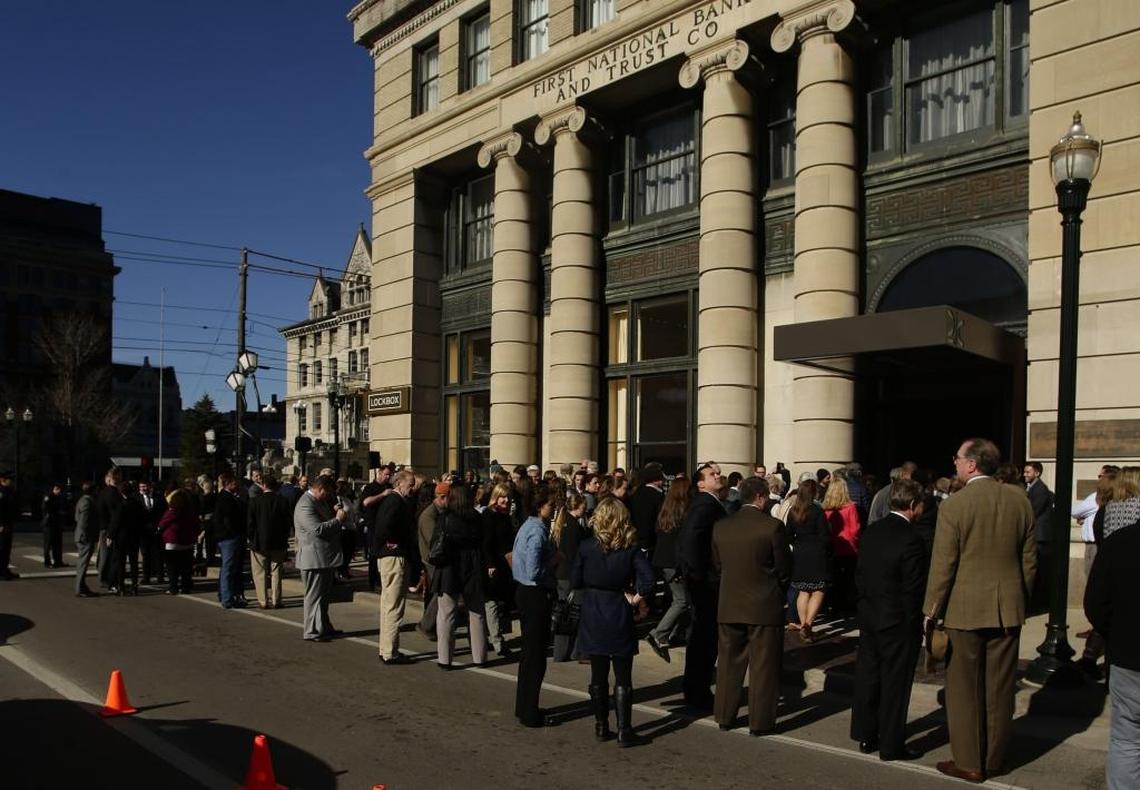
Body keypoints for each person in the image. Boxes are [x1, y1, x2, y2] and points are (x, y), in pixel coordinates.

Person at [924, 438, 1036, 783]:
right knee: (1000, 687)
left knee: (963, 689)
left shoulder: (955, 506)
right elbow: (1029, 562)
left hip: (965, 608)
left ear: (972, 464)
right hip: (1007, 608)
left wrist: (931, 610)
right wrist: (1020, 598)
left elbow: (943, 564)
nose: (954, 463)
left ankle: (970, 760)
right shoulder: (1020, 501)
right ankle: (994, 758)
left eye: (958, 458)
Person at [851, 478, 928, 761]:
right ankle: (891, 743)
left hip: (870, 614)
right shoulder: (912, 539)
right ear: (912, 505)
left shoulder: (872, 532)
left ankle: (866, 734)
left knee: (869, 676)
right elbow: (913, 587)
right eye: (920, 505)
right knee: (895, 683)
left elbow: (860, 575)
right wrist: (913, 621)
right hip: (897, 619)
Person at [711, 476, 790, 736]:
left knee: (728, 663)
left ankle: (724, 714)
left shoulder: (722, 527)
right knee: (763, 667)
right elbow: (784, 569)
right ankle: (760, 722)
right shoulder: (772, 527)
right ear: (760, 497)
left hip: (730, 603)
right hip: (763, 605)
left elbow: (718, 564)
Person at [572, 497, 654, 746]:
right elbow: (649, 581)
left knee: (598, 675)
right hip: (618, 609)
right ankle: (624, 730)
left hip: (593, 611)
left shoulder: (586, 547)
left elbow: (575, 581)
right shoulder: (630, 549)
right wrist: (634, 597)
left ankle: (600, 725)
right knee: (623, 676)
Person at [1084, 516, 1140, 789]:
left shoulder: (1119, 542)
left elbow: (1095, 604)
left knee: (1127, 739)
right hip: (1127, 657)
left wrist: (1115, 633)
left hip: (1128, 655)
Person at [677, 463, 729, 709]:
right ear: (700, 483)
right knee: (703, 639)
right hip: (705, 583)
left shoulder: (710, 503)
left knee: (705, 638)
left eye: (718, 473)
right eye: (712, 474)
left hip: (706, 581)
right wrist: (698, 576)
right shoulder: (704, 504)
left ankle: (697, 689)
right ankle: (697, 692)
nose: (718, 476)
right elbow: (691, 539)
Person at [512, 487, 557, 728]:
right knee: (535, 656)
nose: (553, 510)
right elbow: (533, 570)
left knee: (529, 655)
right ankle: (529, 710)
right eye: (550, 505)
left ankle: (524, 705)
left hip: (525, 592)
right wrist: (552, 562)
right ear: (541, 507)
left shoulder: (526, 526)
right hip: (534, 593)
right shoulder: (538, 532)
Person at [433, 485, 488, 668]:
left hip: (450, 567)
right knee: (477, 613)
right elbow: (483, 543)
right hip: (473, 566)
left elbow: (436, 544)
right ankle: (480, 657)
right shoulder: (478, 518)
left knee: (446, 614)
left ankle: (444, 658)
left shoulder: (446, 518)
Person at [294, 474, 347, 642]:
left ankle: (323, 627)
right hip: (313, 558)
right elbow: (317, 530)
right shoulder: (305, 504)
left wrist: (334, 512)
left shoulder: (320, 501)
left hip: (324, 557)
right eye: (328, 492)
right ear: (319, 489)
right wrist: (338, 520)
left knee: (323, 596)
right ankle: (311, 630)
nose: (329, 496)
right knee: (314, 596)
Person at [646, 476, 692, 661]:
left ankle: (670, 633)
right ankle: (659, 633)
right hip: (674, 563)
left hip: (663, 561)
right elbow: (682, 542)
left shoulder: (666, 508)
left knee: (679, 599)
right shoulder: (684, 511)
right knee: (681, 601)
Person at [373, 469, 416, 665]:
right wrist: (391, 543)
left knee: (388, 604)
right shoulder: (395, 501)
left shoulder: (394, 501)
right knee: (394, 606)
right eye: (410, 483)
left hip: (389, 556)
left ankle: (386, 648)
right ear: (399, 483)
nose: (412, 487)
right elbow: (384, 526)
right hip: (394, 558)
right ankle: (390, 651)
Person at [786, 479, 831, 642]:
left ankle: (803, 623)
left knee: (803, 590)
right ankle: (807, 625)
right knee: (818, 589)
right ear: (813, 493)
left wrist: (798, 544)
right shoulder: (817, 512)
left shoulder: (793, 511)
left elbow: (788, 534)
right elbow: (825, 536)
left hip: (800, 552)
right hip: (816, 553)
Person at [551, 491, 589, 662]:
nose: (585, 509)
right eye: (584, 506)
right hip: (571, 576)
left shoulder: (564, 523)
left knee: (563, 614)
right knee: (574, 614)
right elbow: (575, 556)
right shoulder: (574, 527)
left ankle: (560, 652)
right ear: (577, 506)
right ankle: (577, 651)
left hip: (561, 574)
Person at [247, 472, 291, 609]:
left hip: (259, 542)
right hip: (278, 541)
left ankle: (263, 600)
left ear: (263, 485)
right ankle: (276, 599)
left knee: (259, 572)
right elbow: (287, 522)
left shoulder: (255, 501)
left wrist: (251, 538)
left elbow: (250, 523)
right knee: (276, 571)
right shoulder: (283, 501)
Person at [482, 482, 515, 657]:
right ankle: (497, 641)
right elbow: (486, 543)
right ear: (496, 497)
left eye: (508, 497)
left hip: (505, 564)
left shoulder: (506, 516)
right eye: (502, 496)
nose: (506, 500)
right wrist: (490, 565)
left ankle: (494, 636)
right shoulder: (489, 515)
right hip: (493, 565)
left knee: (500, 603)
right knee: (492, 603)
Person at [823, 475, 861, 615]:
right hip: (849, 548)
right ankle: (847, 605)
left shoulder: (825, 509)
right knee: (849, 580)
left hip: (833, 548)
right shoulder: (851, 507)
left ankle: (835, 605)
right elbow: (855, 529)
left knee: (835, 579)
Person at [417, 481, 448, 640]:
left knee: (440, 593)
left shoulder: (439, 512)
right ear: (441, 497)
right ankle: (426, 624)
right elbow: (434, 542)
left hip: (436, 559)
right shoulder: (429, 515)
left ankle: (430, 624)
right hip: (432, 561)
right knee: (441, 592)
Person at [214, 473, 248, 609]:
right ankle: (227, 598)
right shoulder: (226, 498)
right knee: (228, 568)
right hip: (230, 537)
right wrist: (235, 533)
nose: (237, 486)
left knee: (227, 568)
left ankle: (225, 594)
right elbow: (228, 520)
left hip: (227, 537)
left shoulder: (227, 497)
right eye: (235, 484)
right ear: (228, 484)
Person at [1024, 461, 1054, 612]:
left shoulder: (1040, 490)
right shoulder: (1031, 488)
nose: (1025, 474)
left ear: (1037, 473)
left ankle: (1040, 604)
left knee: (1040, 572)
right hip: (1038, 536)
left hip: (1040, 537)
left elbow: (1033, 511)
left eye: (1028, 472)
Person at [159, 488, 200, 595]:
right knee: (186, 568)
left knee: (172, 568)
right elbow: (196, 525)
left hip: (173, 542)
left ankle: (173, 587)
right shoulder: (191, 512)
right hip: (188, 543)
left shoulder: (172, 512)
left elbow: (162, 524)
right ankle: (186, 587)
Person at [107, 481, 145, 595]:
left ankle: (121, 586)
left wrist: (110, 536)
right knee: (134, 563)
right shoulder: (138, 505)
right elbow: (143, 519)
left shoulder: (120, 505)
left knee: (121, 562)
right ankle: (134, 586)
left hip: (121, 537)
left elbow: (116, 522)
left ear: (121, 492)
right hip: (134, 536)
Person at [138, 480, 167, 584]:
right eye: (141, 487)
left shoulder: (159, 497)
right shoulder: (137, 499)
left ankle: (160, 576)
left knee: (159, 554)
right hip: (144, 532)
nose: (143, 489)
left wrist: (161, 526)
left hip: (157, 531)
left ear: (150, 487)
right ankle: (146, 577)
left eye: (145, 486)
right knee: (145, 555)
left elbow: (165, 512)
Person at [73, 481, 98, 596]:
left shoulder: (82, 500)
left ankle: (82, 586)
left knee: (82, 562)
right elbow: (83, 521)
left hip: (81, 535)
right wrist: (86, 535)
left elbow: (77, 518)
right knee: (83, 563)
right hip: (85, 537)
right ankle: (80, 588)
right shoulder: (87, 502)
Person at [39, 483, 68, 568]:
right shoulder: (48, 497)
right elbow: (45, 509)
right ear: (54, 489)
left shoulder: (58, 497)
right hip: (49, 524)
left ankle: (58, 561)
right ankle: (47, 562)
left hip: (57, 523)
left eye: (60, 490)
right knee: (48, 544)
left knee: (58, 544)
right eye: (57, 489)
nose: (59, 491)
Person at [0, 470, 17, 580]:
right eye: (9, 479)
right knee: (1, 549)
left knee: (6, 549)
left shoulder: (8, 491)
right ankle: (1, 572)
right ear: (2, 480)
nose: (11, 481)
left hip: (8, 524)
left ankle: (5, 570)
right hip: (2, 525)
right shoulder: (1, 492)